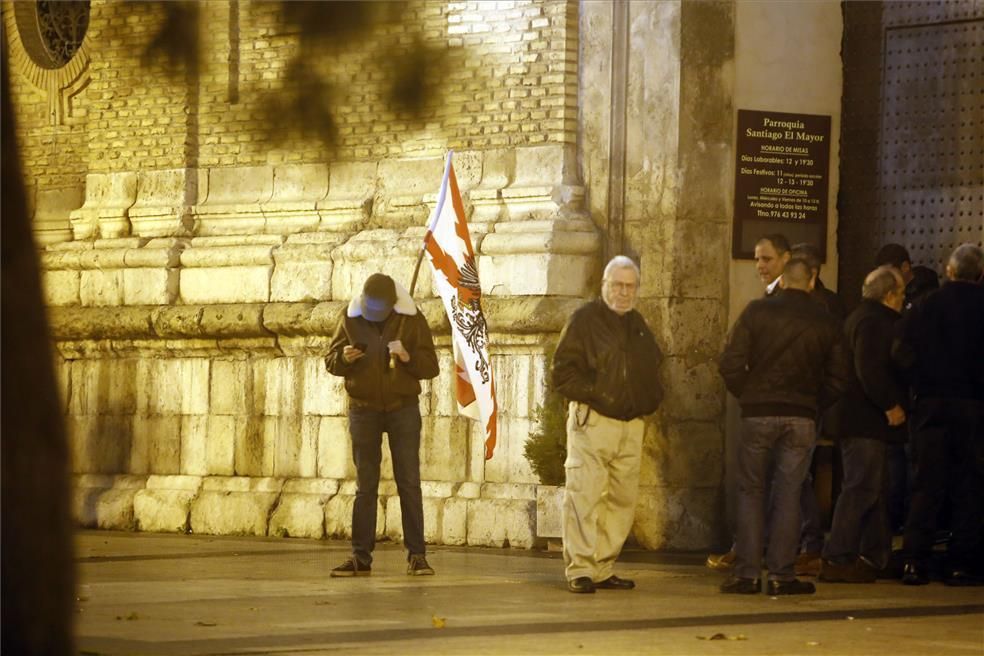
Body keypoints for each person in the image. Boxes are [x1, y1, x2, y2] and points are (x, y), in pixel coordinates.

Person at [718, 258, 850, 595]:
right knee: (789, 493)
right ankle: (781, 575)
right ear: (812, 280)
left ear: (783, 280)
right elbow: (838, 377)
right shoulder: (826, 321)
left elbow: (730, 362)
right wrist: (814, 403)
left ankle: (747, 574)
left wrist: (748, 394)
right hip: (802, 416)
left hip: (758, 412)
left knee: (751, 491)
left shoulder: (756, 312)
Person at [552, 256, 664, 594]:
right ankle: (581, 569)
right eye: (617, 285)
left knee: (621, 499)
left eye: (630, 286)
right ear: (604, 285)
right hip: (594, 420)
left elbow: (654, 366)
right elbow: (562, 371)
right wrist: (596, 394)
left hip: (630, 425)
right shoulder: (584, 320)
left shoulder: (639, 324)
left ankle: (602, 566)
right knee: (584, 495)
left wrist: (649, 400)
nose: (624, 292)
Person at [325, 273, 440, 577]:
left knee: (409, 482)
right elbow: (330, 361)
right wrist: (344, 358)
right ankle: (360, 555)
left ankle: (417, 555)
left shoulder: (412, 320)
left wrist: (406, 356)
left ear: (392, 305)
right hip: (363, 410)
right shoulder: (349, 318)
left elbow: (431, 366)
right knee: (366, 485)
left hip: (403, 409)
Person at [894, 244, 984, 586]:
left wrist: (919, 382)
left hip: (931, 404)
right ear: (979, 274)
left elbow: (899, 350)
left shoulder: (925, 305)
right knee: (969, 485)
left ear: (948, 271)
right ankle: (961, 563)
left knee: (925, 484)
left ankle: (915, 561)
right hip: (975, 406)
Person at [820, 266, 907, 583]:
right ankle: (837, 556)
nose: (903, 301)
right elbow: (869, 369)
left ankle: (876, 556)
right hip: (866, 420)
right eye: (901, 295)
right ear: (890, 295)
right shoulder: (875, 322)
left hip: (854, 418)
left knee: (875, 490)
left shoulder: (856, 317)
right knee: (860, 488)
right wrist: (890, 405)